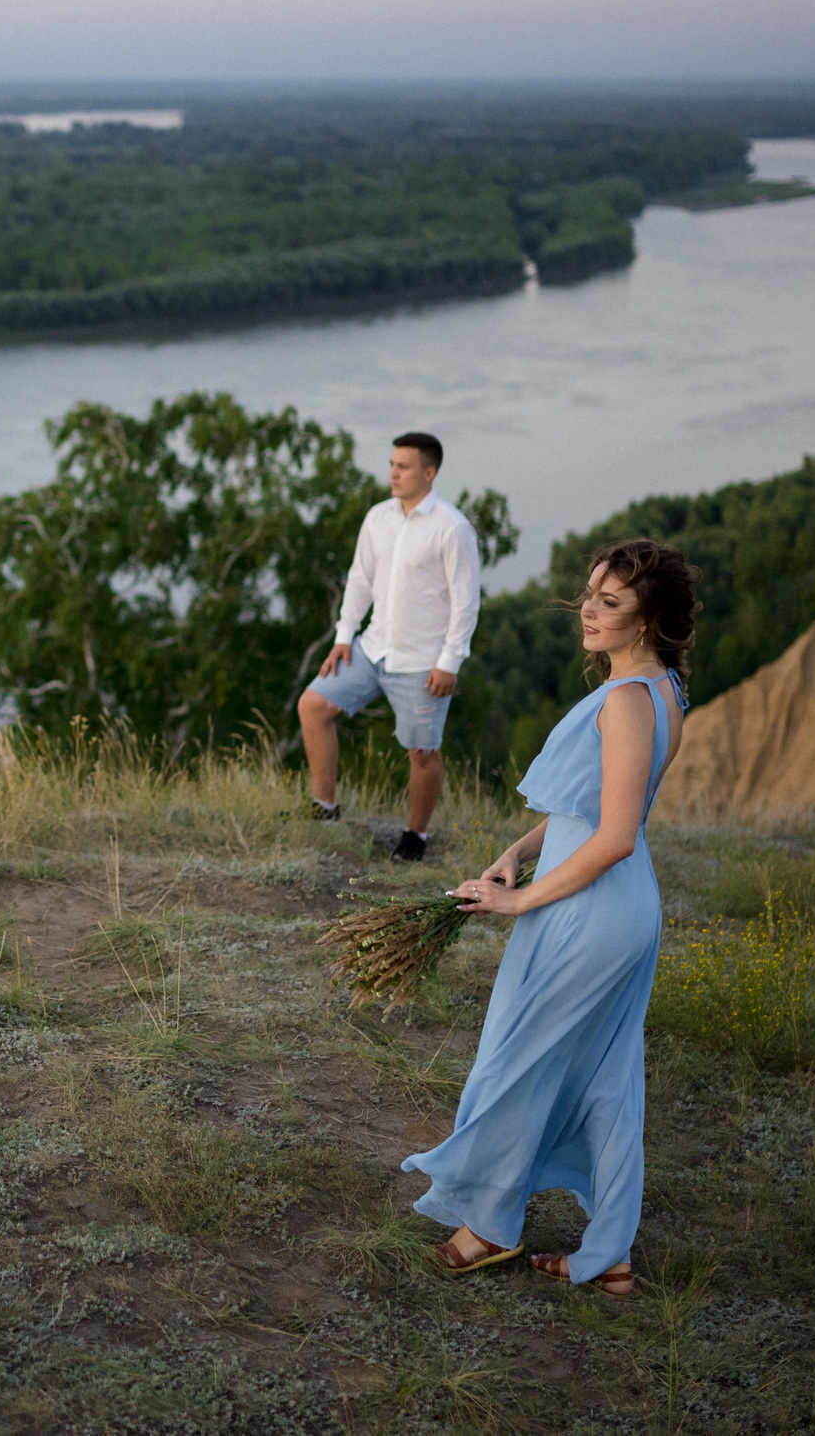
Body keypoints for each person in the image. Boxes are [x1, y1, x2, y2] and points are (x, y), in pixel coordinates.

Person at [397, 538, 700, 1298]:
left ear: (649, 618)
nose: (588, 613)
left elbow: (617, 835)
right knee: (603, 1078)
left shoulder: (630, 701)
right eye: (589, 596)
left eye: (610, 603)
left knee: (518, 1061)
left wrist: (519, 899)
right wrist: (517, 852)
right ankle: (611, 1255)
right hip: (611, 901)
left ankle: (492, 1225)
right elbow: (590, 813)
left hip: (593, 910)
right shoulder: (663, 690)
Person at [298, 430, 479, 859]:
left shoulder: (452, 528)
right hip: (371, 649)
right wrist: (344, 637)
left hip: (422, 663)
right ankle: (324, 808)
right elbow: (359, 581)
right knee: (313, 707)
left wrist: (449, 663)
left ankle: (415, 836)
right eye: (392, 465)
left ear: (429, 473)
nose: (393, 473)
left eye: (404, 467)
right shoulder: (378, 517)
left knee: (422, 752)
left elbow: (466, 603)